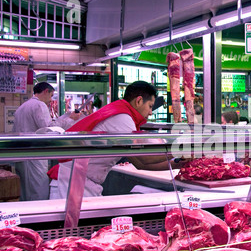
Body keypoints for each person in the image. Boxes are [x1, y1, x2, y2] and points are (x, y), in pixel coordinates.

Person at [49, 81, 185, 199]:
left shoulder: (120, 112)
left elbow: (139, 164)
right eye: (150, 106)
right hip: (76, 182)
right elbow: (144, 158)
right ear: (138, 101)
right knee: (77, 228)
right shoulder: (122, 117)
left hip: (81, 180)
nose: (150, 112)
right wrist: (180, 150)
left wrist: (178, 164)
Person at [13, 82, 81, 201]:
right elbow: (48, 128)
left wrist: (65, 117)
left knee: (24, 191)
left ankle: (27, 218)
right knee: (39, 191)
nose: (50, 100)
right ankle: (39, 218)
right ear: (45, 91)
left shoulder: (22, 107)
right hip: (35, 155)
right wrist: (70, 120)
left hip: (20, 155)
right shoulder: (39, 105)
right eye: (51, 96)